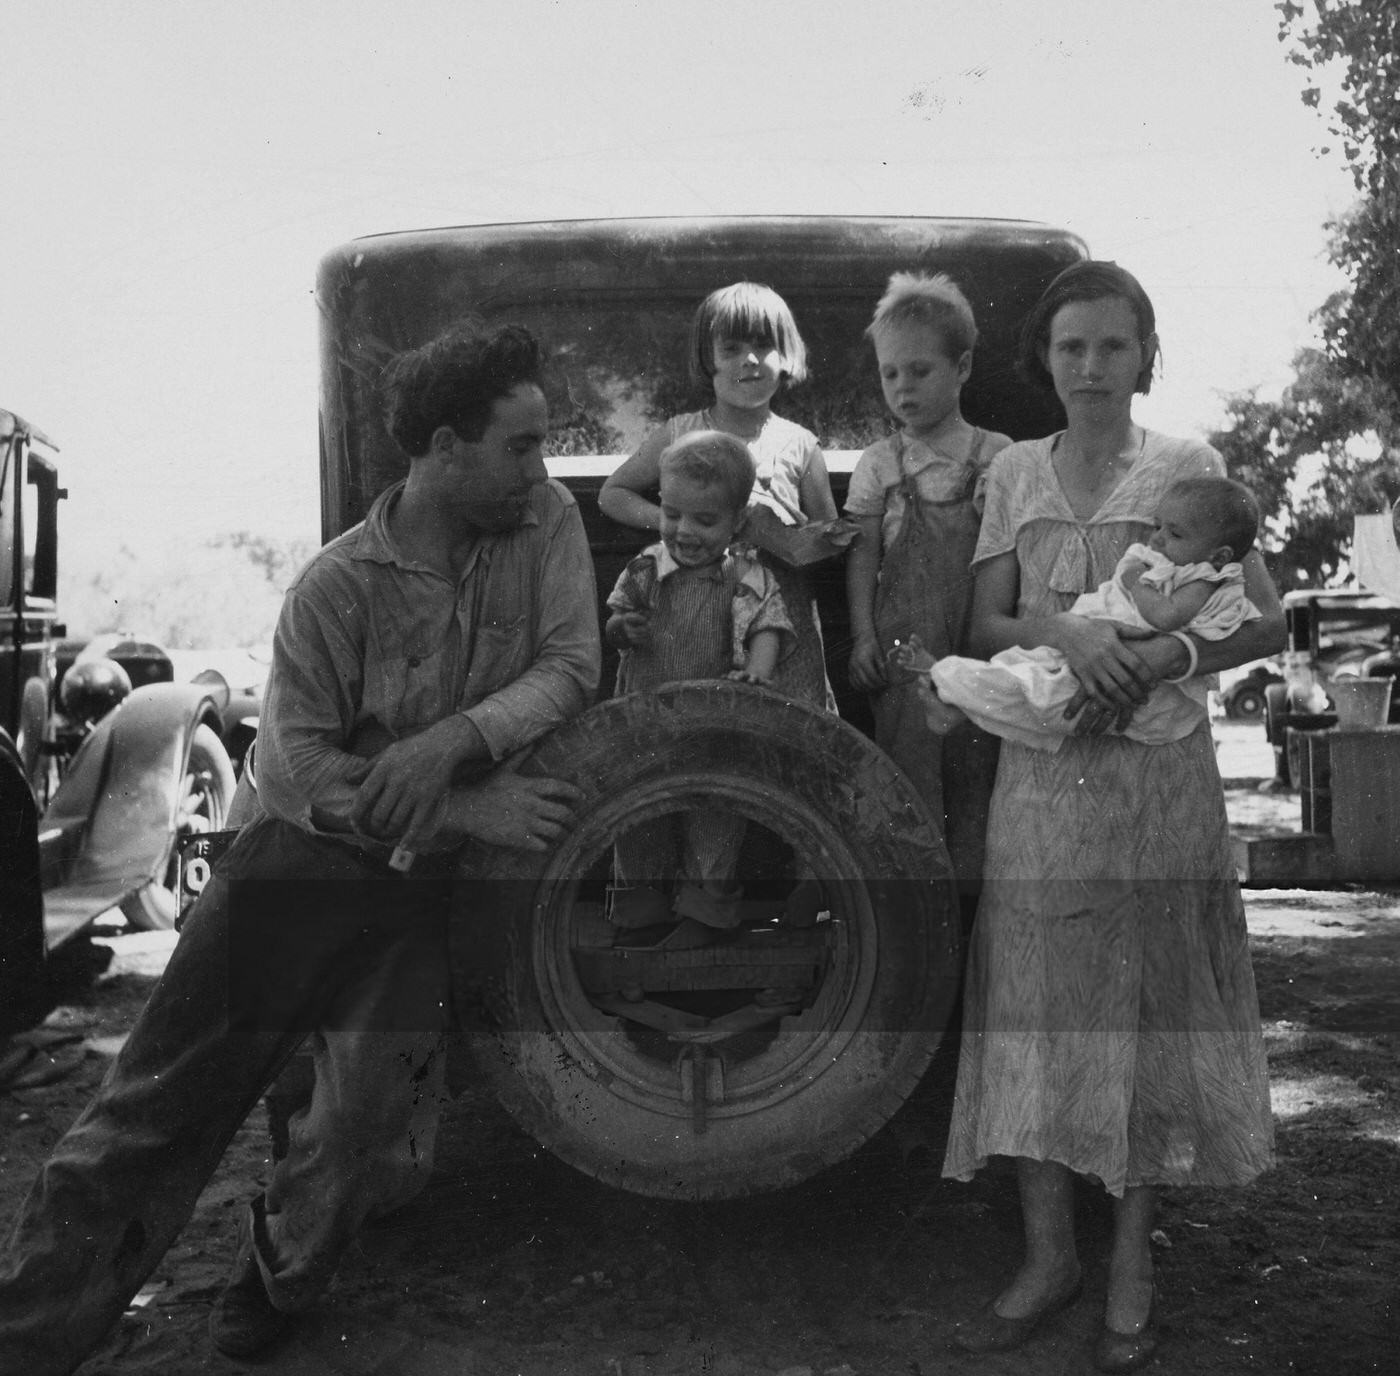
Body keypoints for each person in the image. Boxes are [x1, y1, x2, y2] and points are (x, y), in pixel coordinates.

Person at [0, 322, 601, 1375]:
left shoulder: (541, 520)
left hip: (414, 898)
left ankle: (278, 1276)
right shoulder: (332, 588)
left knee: (361, 1115)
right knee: (150, 1112)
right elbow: (293, 775)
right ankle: (31, 1334)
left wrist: (455, 741)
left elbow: (569, 662)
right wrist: (459, 806)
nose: (540, 470)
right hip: (293, 869)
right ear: (445, 446)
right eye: (518, 445)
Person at [935, 261, 1283, 1374]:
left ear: (1144, 356)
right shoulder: (1011, 471)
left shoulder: (1188, 467)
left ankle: (1130, 1257)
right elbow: (983, 621)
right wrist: (1071, 634)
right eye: (1070, 347)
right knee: (1037, 1001)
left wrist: (1163, 649)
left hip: (1154, 780)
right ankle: (1049, 1255)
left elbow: (1264, 621)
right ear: (1043, 358)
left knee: (1137, 1005)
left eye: (1112, 347)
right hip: (1043, 775)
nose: (1090, 367)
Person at [598, 280, 849, 712]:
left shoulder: (800, 444)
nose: (749, 360)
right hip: (689, 615)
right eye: (731, 349)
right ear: (707, 359)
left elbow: (831, 540)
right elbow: (612, 494)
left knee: (780, 729)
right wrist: (680, 521)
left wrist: (781, 535)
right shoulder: (681, 433)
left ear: (786, 355)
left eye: (763, 346)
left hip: (775, 627)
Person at [844, 271, 1012, 894]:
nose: (903, 388)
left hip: (977, 645)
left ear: (962, 366)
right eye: (890, 374)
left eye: (919, 371)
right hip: (903, 651)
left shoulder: (996, 456)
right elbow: (862, 553)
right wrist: (863, 637)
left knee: (978, 785)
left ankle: (974, 930)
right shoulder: (882, 462)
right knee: (909, 780)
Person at [897, 475, 1262, 751]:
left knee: (1041, 692)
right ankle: (954, 698)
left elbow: (1164, 617)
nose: (1158, 539)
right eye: (1157, 526)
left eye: (1175, 534)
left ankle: (944, 679)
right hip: (1083, 649)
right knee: (1026, 671)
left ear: (1219, 556)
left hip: (1132, 678)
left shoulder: (1204, 579)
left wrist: (1136, 583)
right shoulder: (1174, 562)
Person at [604, 429, 795, 940]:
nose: (683, 531)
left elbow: (768, 627)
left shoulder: (746, 575)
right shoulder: (646, 569)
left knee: (715, 824)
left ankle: (703, 925)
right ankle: (637, 925)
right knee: (639, 824)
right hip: (647, 728)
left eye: (705, 520)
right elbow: (615, 625)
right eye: (672, 514)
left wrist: (757, 670)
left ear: (737, 521)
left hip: (717, 729)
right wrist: (624, 629)